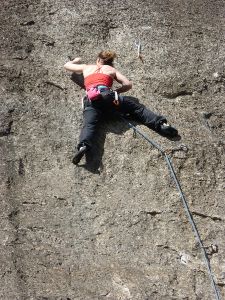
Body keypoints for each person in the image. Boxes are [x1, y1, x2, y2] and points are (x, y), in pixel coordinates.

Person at [64, 50, 178, 164]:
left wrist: (76, 60)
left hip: (91, 101)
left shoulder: (86, 67)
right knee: (137, 109)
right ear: (110, 63)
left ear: (98, 60)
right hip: (109, 97)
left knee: (89, 125)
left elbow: (67, 66)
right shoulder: (111, 70)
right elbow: (127, 84)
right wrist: (116, 91)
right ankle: (161, 125)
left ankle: (83, 146)